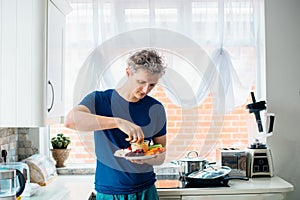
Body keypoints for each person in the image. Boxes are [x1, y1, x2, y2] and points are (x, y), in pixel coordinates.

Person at [64, 49, 167, 200]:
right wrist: (118, 122)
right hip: (110, 192)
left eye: (152, 85)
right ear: (128, 73)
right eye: (141, 82)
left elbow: (161, 156)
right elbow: (71, 120)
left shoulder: (156, 109)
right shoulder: (99, 100)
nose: (146, 90)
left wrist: (146, 158)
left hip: (146, 191)